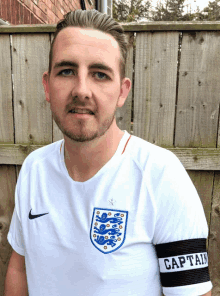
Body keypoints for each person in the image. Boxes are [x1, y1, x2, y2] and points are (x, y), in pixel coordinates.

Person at [4, 9, 212, 296]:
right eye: (66, 71)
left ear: (122, 91)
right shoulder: (33, 169)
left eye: (99, 74)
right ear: (47, 85)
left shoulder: (161, 176)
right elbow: (20, 266)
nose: (81, 89)